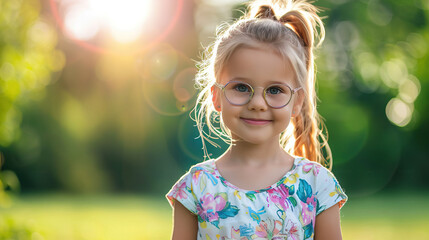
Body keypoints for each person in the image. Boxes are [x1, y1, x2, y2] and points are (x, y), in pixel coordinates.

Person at [166, 0, 348, 239]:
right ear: (216, 96)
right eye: (241, 87)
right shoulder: (196, 188)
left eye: (274, 90)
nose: (258, 103)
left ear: (297, 102)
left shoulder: (317, 185)